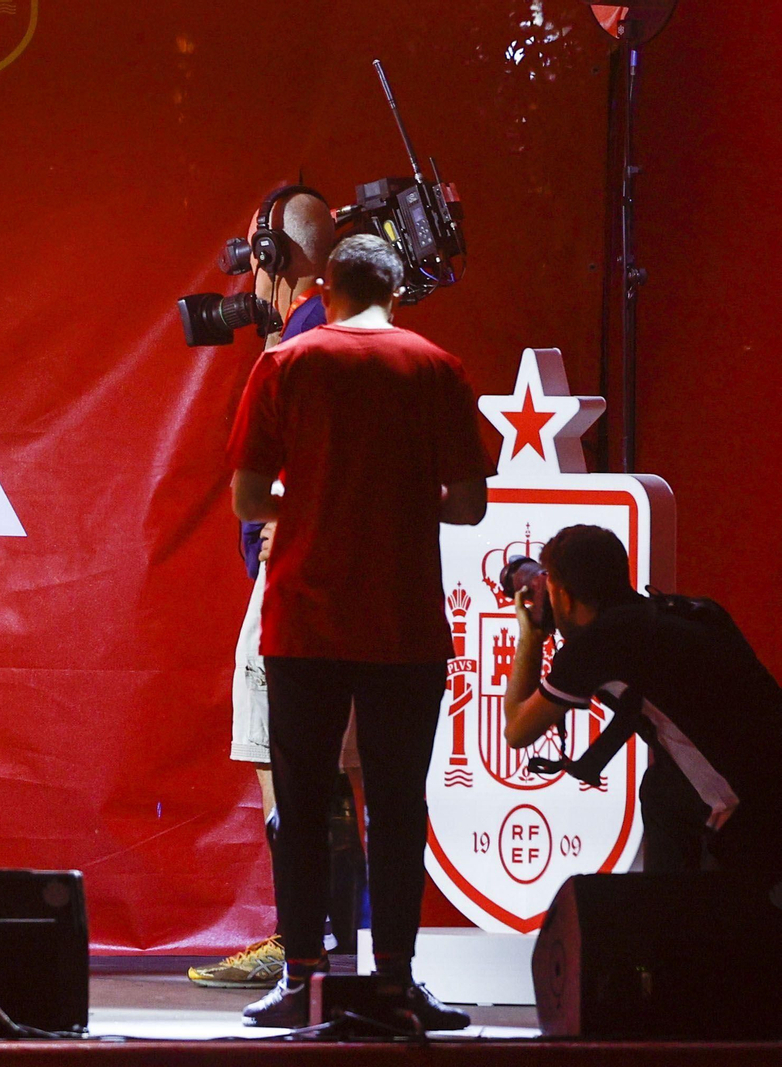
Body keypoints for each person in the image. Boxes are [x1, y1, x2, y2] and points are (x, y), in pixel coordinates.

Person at [230, 234, 491, 1028]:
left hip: (305, 616)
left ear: (327, 289)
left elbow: (247, 499)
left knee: (303, 804)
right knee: (399, 801)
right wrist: (402, 507)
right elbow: (471, 503)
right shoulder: (436, 366)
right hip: (403, 622)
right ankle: (395, 978)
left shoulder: (286, 363)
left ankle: (301, 973)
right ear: (396, 292)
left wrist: (306, 509)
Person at [190, 187, 370, 992]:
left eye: (251, 259)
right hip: (347, 587)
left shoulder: (300, 344)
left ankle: (303, 946)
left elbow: (261, 484)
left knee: (289, 770)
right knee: (329, 775)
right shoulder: (359, 336)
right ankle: (341, 947)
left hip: (293, 584)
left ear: (273, 259)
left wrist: (287, 514)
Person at [503, 524, 782, 878]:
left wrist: (530, 635)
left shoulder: (600, 644)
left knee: (664, 799)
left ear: (566, 597)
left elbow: (517, 730)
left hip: (751, 812)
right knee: (662, 789)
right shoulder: (685, 612)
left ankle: (670, 919)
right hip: (767, 779)